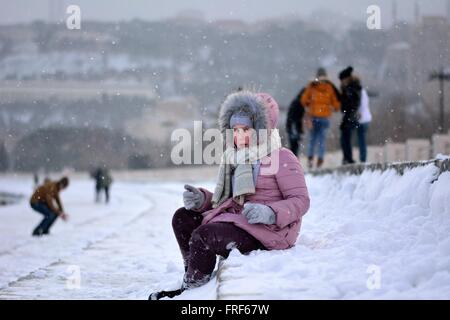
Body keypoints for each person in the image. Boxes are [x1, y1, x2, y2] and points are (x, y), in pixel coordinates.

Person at [149, 90, 310, 300]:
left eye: (246, 129)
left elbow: (301, 201)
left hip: (269, 231)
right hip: (241, 221)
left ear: (261, 129)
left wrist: (269, 212)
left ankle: (191, 293)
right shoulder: (235, 158)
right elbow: (228, 201)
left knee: (205, 235)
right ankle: (193, 278)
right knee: (183, 218)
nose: (239, 136)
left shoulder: (282, 156)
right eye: (235, 130)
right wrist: (203, 200)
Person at [301, 68, 341, 169]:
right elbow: (336, 105)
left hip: (314, 117)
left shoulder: (312, 86)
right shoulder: (329, 87)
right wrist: (333, 107)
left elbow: (303, 100)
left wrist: (310, 104)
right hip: (325, 118)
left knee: (312, 139)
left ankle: (310, 159)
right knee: (322, 140)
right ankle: (320, 159)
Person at [338, 66, 362, 165]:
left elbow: (352, 102)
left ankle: (348, 158)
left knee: (345, 137)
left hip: (350, 114)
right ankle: (347, 158)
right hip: (349, 114)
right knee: (344, 137)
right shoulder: (350, 87)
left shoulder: (352, 88)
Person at [285, 88, 306, 156]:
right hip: (293, 127)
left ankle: (292, 160)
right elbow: (295, 117)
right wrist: (297, 128)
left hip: (292, 126)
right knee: (294, 146)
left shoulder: (297, 102)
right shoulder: (298, 103)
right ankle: (293, 160)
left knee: (294, 146)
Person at [357, 87, 371, 163]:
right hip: (366, 118)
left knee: (361, 139)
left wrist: (359, 113)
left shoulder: (358, 91)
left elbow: (360, 105)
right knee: (362, 138)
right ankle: (363, 157)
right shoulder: (363, 91)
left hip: (361, 119)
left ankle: (363, 158)